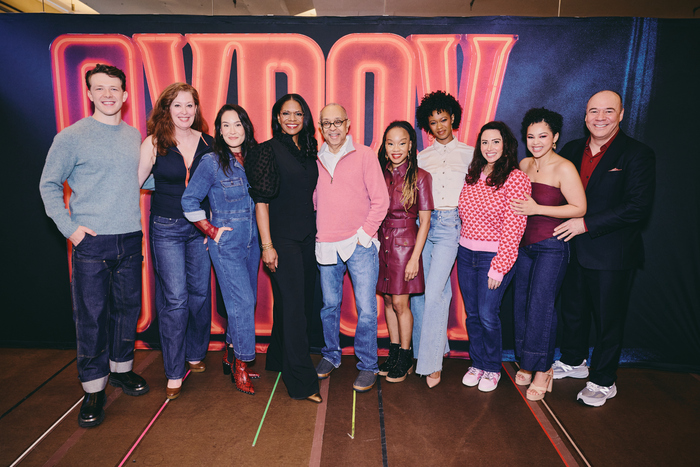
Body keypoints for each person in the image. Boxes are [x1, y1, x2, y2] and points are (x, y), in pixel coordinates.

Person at [39, 64, 148, 427]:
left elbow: (135, 181)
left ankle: (121, 369)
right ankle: (93, 389)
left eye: (114, 88)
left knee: (127, 311)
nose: (107, 94)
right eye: (99, 88)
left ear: (125, 95)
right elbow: (49, 185)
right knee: (91, 318)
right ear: (89, 94)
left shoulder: (134, 136)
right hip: (92, 243)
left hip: (130, 238)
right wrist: (71, 230)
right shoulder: (71, 137)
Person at [552, 90, 655, 407]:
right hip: (571, 249)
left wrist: (587, 223)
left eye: (608, 111)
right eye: (593, 111)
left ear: (621, 114)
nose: (600, 117)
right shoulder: (570, 149)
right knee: (573, 310)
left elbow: (637, 207)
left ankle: (603, 380)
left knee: (609, 319)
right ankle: (573, 360)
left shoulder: (637, 154)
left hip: (612, 252)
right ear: (584, 116)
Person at [138, 83, 213, 400]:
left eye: (190, 106)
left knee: (199, 294)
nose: (185, 112)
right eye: (178, 105)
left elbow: (219, 187)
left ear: (197, 109)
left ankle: (195, 353)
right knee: (176, 299)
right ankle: (172, 370)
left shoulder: (209, 143)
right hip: (166, 227)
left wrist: (216, 228)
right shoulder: (154, 142)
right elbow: (134, 184)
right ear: (166, 109)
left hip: (200, 230)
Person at [245, 94, 321, 403]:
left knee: (298, 303)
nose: (292, 118)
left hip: (308, 237)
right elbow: (261, 203)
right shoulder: (266, 151)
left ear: (305, 118)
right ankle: (302, 382)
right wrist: (267, 245)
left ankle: (276, 359)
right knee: (294, 310)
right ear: (277, 117)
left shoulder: (310, 150)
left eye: (298, 113)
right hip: (281, 240)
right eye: (286, 113)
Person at [181, 104, 260, 395]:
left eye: (237, 124)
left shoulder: (254, 158)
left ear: (246, 127)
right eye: (225, 125)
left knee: (246, 304)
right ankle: (241, 365)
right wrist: (211, 230)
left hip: (253, 243)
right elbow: (189, 201)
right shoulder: (212, 161)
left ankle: (230, 352)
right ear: (218, 130)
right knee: (241, 303)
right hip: (226, 244)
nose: (231, 131)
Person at [509, 108, 586, 401]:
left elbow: (579, 208)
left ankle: (543, 370)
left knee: (542, 306)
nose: (536, 141)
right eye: (531, 136)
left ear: (555, 137)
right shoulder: (524, 164)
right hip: (524, 247)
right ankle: (528, 362)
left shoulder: (564, 167)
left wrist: (538, 209)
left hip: (552, 246)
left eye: (543, 136)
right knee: (522, 304)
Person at [314, 103, 390, 393]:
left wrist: (363, 235)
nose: (332, 128)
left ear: (348, 124)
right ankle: (331, 355)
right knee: (329, 306)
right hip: (327, 245)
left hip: (359, 244)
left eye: (338, 122)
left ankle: (368, 365)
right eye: (327, 123)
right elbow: (316, 200)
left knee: (367, 310)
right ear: (320, 128)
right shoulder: (315, 158)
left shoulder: (365, 155)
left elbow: (380, 200)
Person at [457, 121, 530, 393]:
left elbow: (515, 226)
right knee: (473, 314)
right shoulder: (473, 173)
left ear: (506, 144)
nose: (490, 147)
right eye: (485, 142)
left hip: (494, 257)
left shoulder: (516, 177)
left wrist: (499, 267)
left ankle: (491, 368)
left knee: (488, 315)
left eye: (495, 141)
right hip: (465, 255)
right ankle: (476, 363)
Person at [411, 91, 473, 388]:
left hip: (451, 224)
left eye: (444, 120)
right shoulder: (421, 157)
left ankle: (431, 363)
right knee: (424, 294)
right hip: (424, 224)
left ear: (453, 120)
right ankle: (435, 349)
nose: (439, 126)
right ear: (427, 125)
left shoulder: (471, 154)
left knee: (435, 293)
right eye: (433, 122)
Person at [376, 121, 433, 383]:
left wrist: (414, 259)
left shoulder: (421, 176)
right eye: (390, 143)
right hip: (382, 242)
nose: (395, 148)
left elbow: (425, 222)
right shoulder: (379, 172)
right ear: (384, 146)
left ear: (411, 145)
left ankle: (406, 356)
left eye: (402, 142)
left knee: (400, 303)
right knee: (387, 301)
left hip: (405, 244)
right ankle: (395, 351)